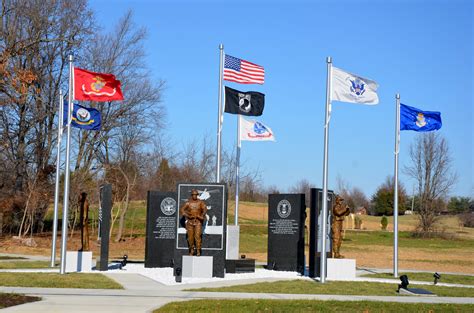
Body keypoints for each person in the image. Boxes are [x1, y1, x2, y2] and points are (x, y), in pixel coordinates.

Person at [179, 189, 207, 256]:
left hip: (198, 222)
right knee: (190, 238)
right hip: (190, 222)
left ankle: (198, 250)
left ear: (197, 195)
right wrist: (187, 215)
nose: (194, 196)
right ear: (191, 195)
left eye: (196, 195)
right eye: (193, 195)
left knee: (197, 237)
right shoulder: (188, 203)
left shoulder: (200, 202)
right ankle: (191, 249)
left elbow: (205, 209)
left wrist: (201, 215)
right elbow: (182, 210)